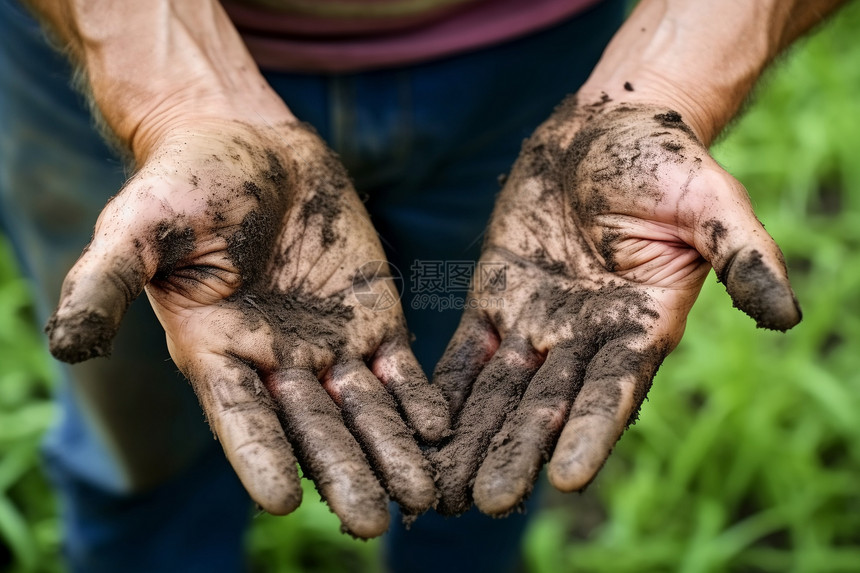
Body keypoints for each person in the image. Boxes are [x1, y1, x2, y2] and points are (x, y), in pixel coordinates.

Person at [0, 0, 843, 571]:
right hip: (112, 39)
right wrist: (176, 94)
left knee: (488, 433)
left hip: (540, 60)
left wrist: (665, 84)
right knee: (142, 449)